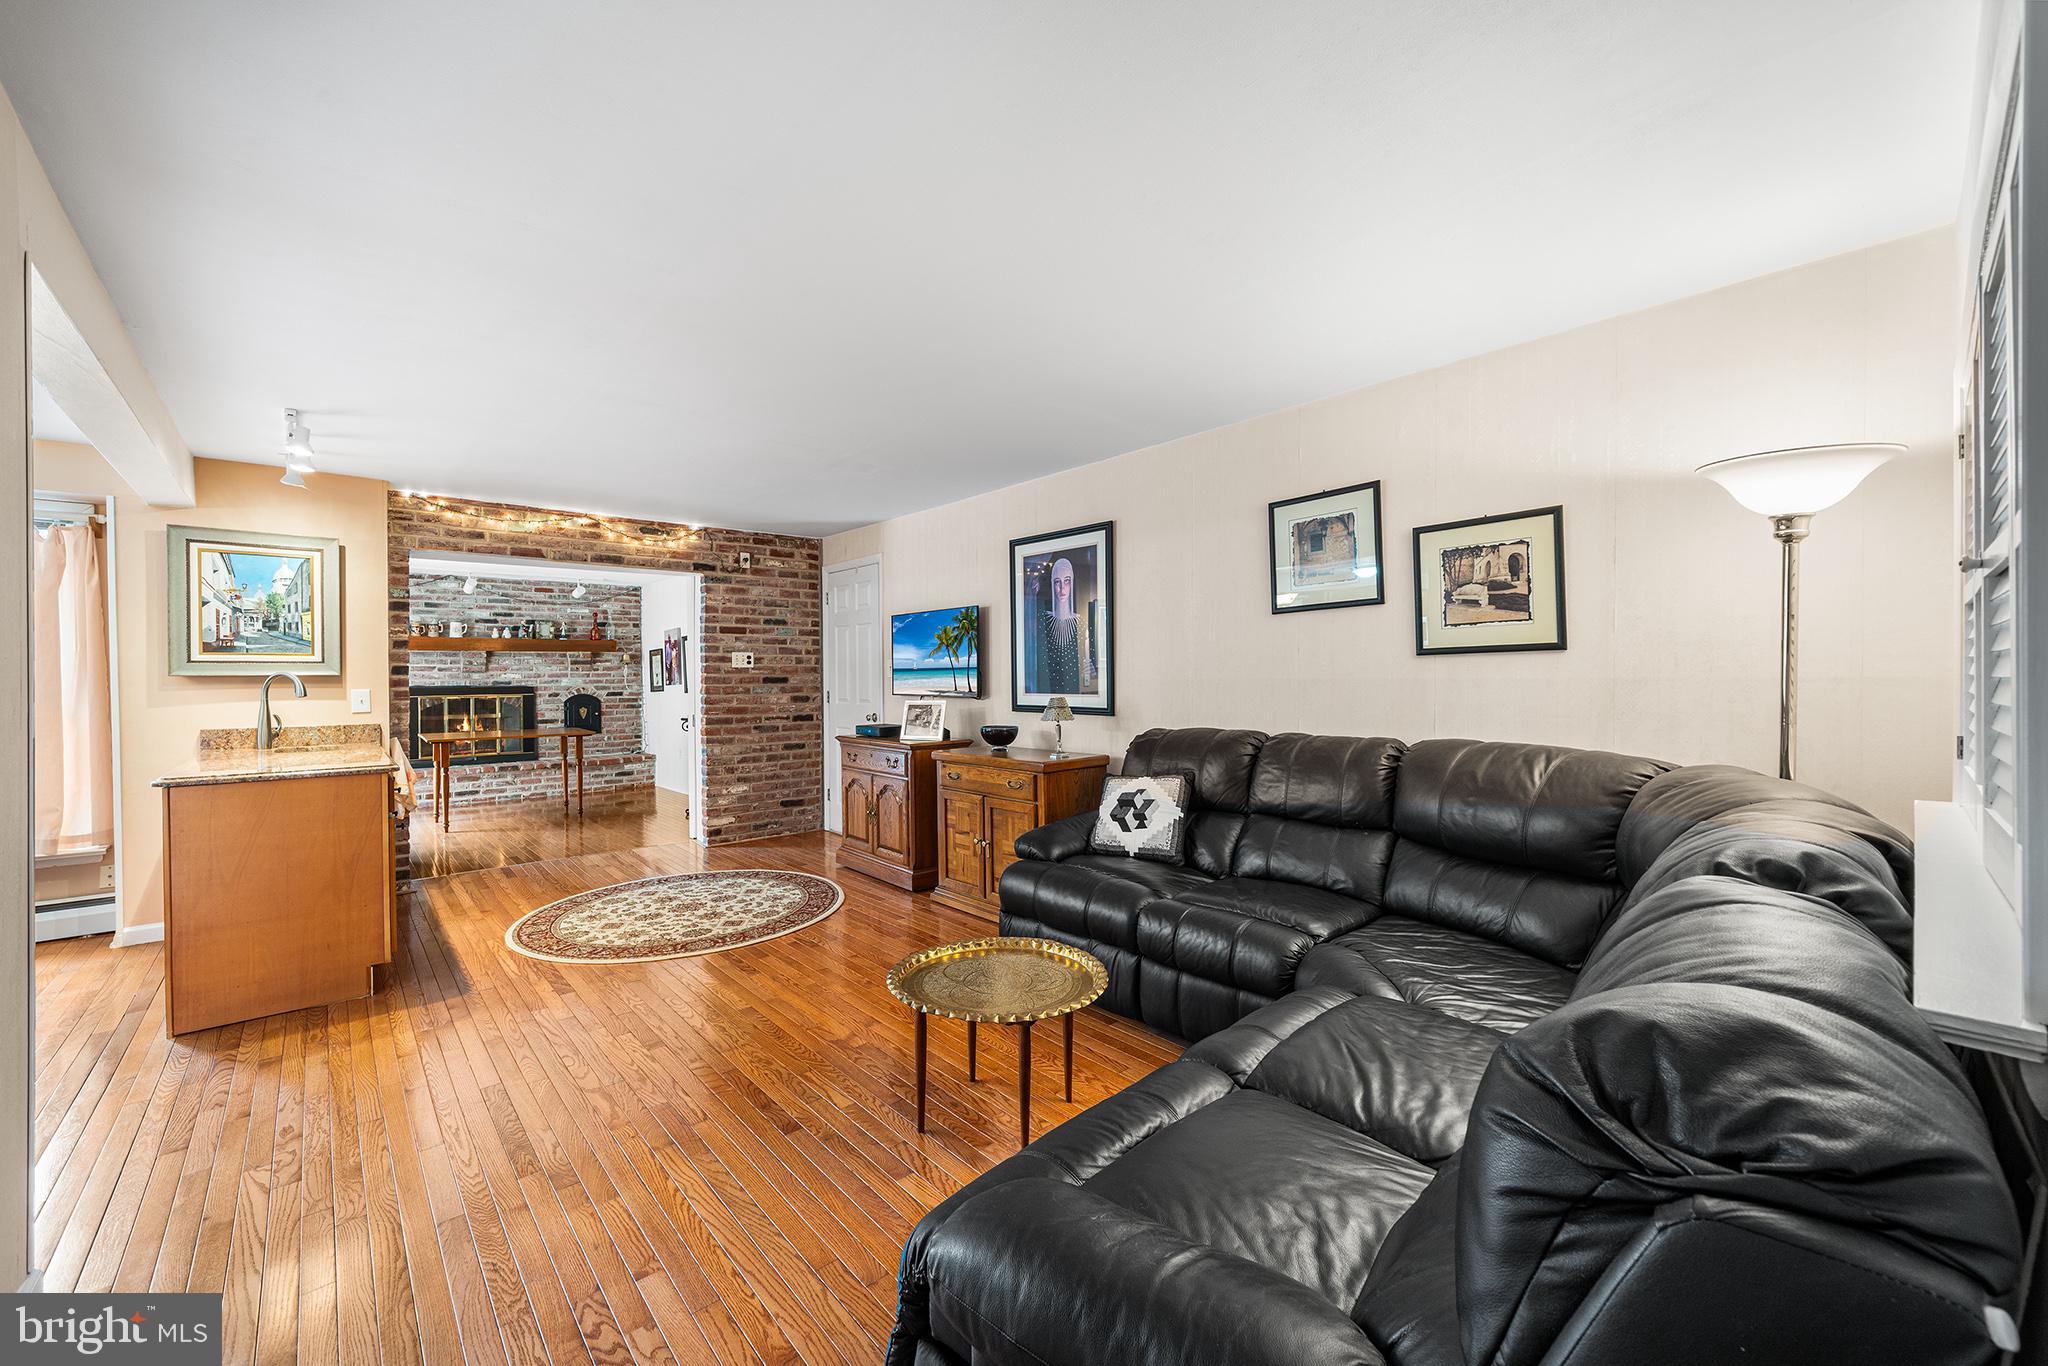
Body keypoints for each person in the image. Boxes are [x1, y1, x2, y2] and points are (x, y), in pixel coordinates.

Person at [1034, 556, 1095, 694]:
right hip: (1047, 691)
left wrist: (1091, 672)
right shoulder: (1043, 621)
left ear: (1071, 583)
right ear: (1052, 584)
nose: (1062, 588)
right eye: (1057, 582)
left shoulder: (1081, 623)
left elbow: (1089, 666)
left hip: (1076, 691)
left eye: (1066, 581)